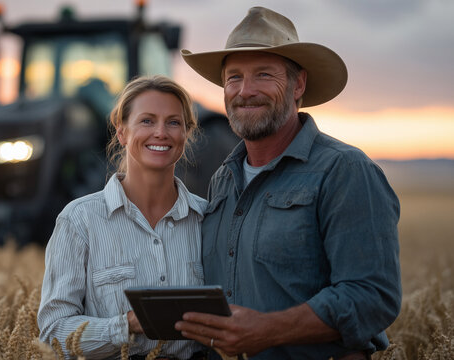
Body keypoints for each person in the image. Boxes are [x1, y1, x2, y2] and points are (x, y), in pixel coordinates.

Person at [174, 7, 401, 360]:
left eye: (263, 74)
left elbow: (372, 296)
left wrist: (267, 331)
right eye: (233, 78)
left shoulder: (344, 171)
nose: (245, 91)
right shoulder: (222, 180)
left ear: (298, 85)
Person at [38, 75, 208, 359]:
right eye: (147, 121)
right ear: (121, 132)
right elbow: (53, 333)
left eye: (174, 122)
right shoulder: (80, 221)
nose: (161, 132)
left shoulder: (208, 218)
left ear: (186, 133)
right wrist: (126, 326)